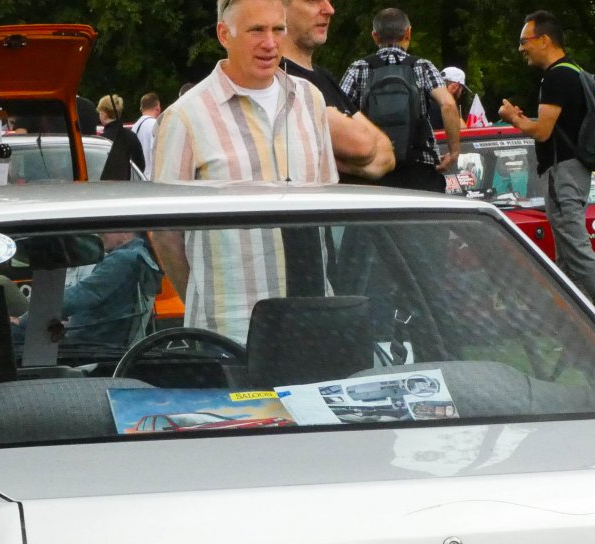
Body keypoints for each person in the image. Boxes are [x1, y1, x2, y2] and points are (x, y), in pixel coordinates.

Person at [152, 0, 339, 338]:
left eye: (278, 29)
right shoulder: (186, 117)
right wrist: (206, 299)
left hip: (314, 319)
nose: (270, 43)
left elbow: (327, 206)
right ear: (224, 34)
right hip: (231, 329)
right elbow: (165, 233)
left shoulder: (310, 100)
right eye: (256, 30)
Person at [498, 9, 595, 344]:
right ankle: (574, 328)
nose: (521, 48)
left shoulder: (557, 77)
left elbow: (543, 131)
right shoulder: (574, 71)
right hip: (573, 171)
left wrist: (512, 118)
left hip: (562, 173)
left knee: (576, 248)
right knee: (566, 256)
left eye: (525, 41)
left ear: (544, 40)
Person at [340, 7, 460, 191]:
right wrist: (453, 152)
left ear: (375, 37)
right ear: (408, 33)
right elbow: (448, 104)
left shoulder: (358, 68)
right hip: (419, 167)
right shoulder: (423, 67)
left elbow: (338, 114)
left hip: (373, 168)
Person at [279, 0, 394, 180]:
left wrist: (345, 164)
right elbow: (362, 146)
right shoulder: (280, 80)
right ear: (279, 7)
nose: (330, 10)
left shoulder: (324, 77)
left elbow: (387, 154)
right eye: (313, 1)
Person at [55, 232, 165, 347]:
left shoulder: (122, 259)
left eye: (107, 228)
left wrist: (47, 306)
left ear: (126, 231)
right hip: (112, 344)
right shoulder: (142, 257)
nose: (100, 233)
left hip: (92, 346)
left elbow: (84, 294)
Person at [97, 93, 146, 180]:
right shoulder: (132, 137)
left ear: (103, 115)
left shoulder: (101, 140)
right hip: (129, 185)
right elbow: (140, 166)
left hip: (104, 185)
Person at [134, 92, 163, 179]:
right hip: (151, 177)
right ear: (158, 108)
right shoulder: (155, 125)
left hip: (138, 176)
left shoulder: (135, 126)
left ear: (141, 108)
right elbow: (156, 152)